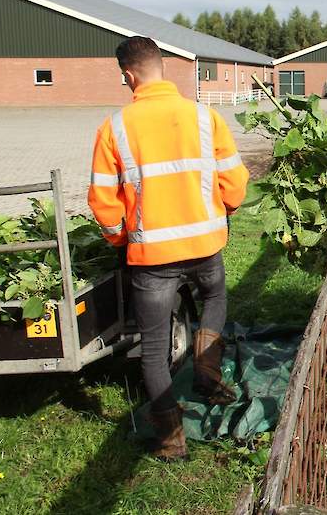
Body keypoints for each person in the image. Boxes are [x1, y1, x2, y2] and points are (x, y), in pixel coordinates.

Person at [88, 36, 249, 461]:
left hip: (151, 260)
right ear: (163, 68)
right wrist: (224, 209)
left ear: (128, 75)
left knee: (155, 346)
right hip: (204, 246)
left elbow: (104, 203)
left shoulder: (115, 128)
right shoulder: (203, 116)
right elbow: (235, 182)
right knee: (214, 297)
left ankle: (170, 438)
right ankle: (210, 380)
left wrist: (120, 239)